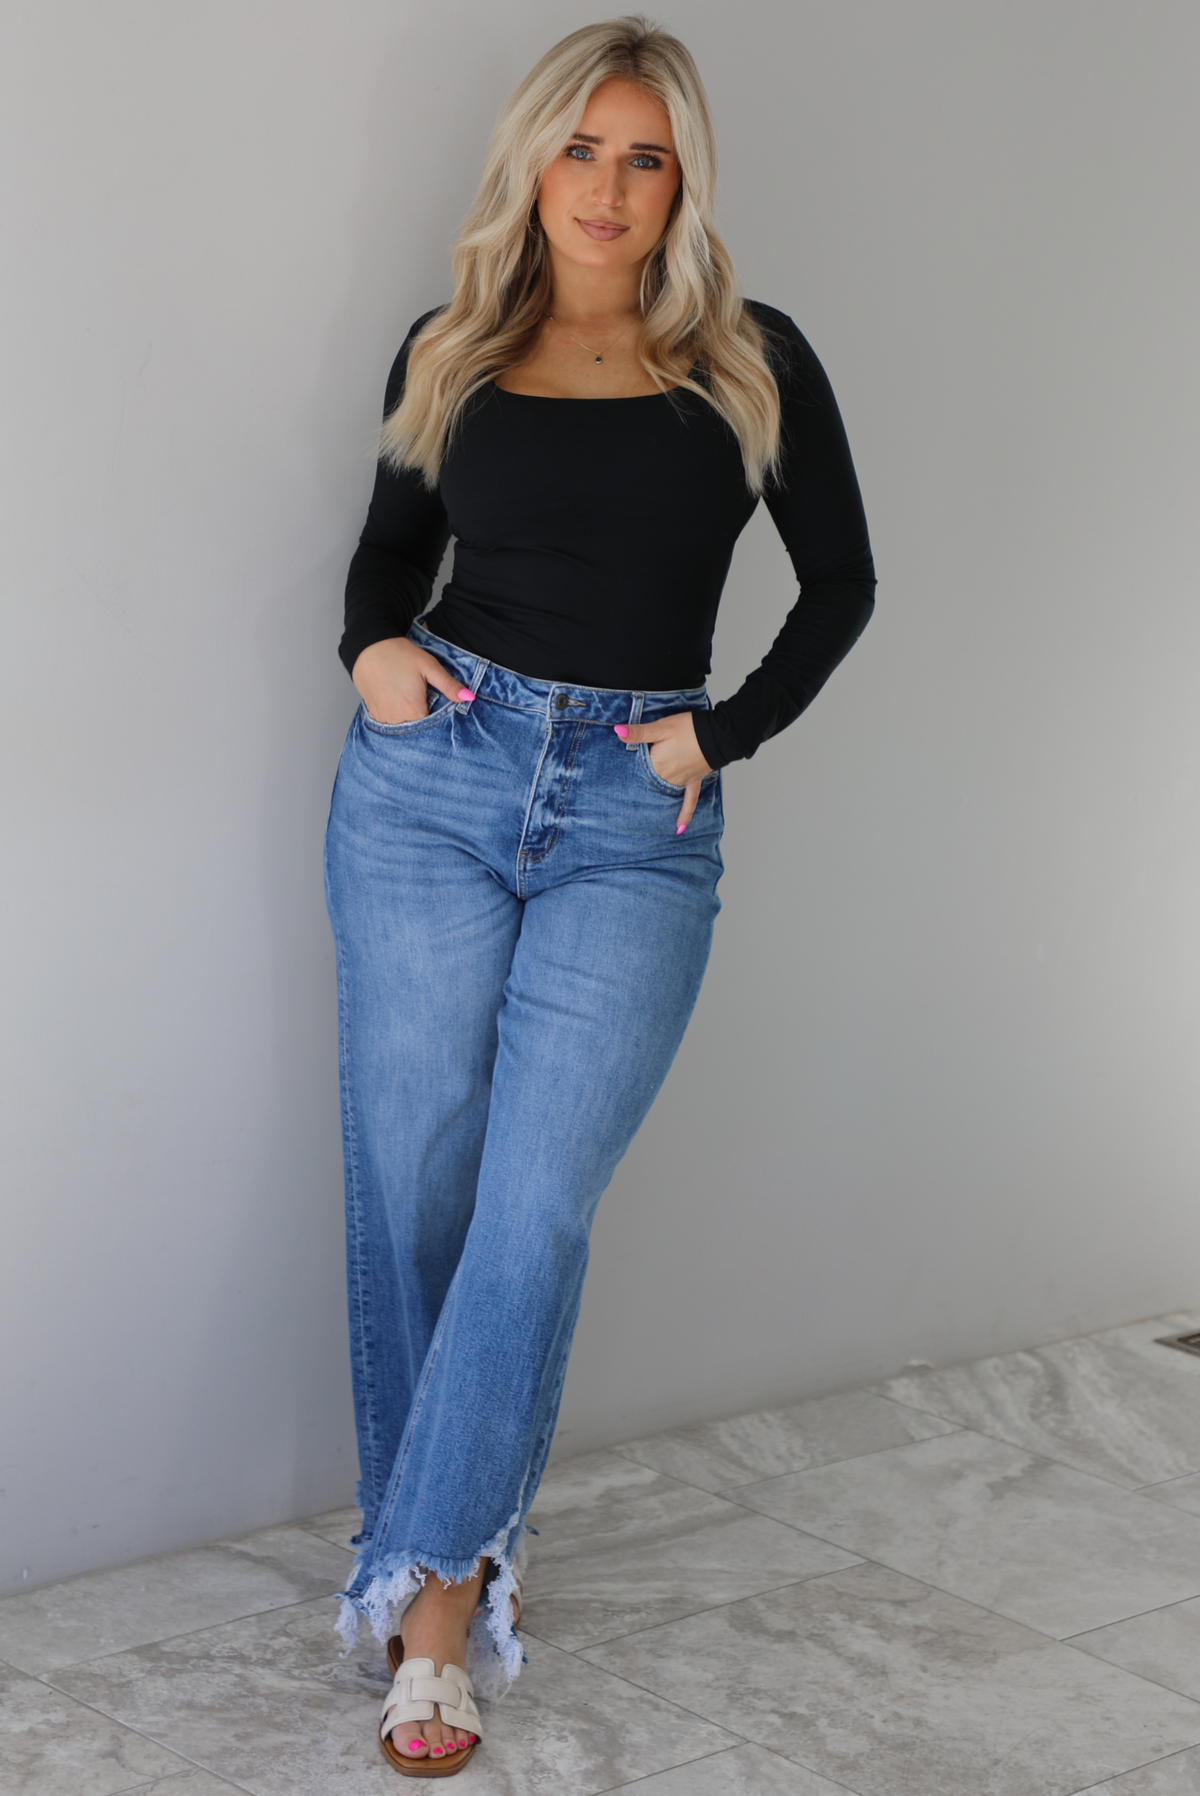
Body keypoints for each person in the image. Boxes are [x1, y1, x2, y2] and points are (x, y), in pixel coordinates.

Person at [323, 14, 875, 1777]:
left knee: (535, 1202)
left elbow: (843, 585)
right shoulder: (454, 344)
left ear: (683, 178)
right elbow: (391, 555)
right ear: (534, 162)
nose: (612, 187)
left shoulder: (750, 358)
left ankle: (426, 1600)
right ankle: (454, 1569)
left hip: (639, 809)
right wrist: (372, 658)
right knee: (415, 1178)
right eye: (585, 148)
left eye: (647, 156)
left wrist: (720, 736)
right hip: (436, 782)